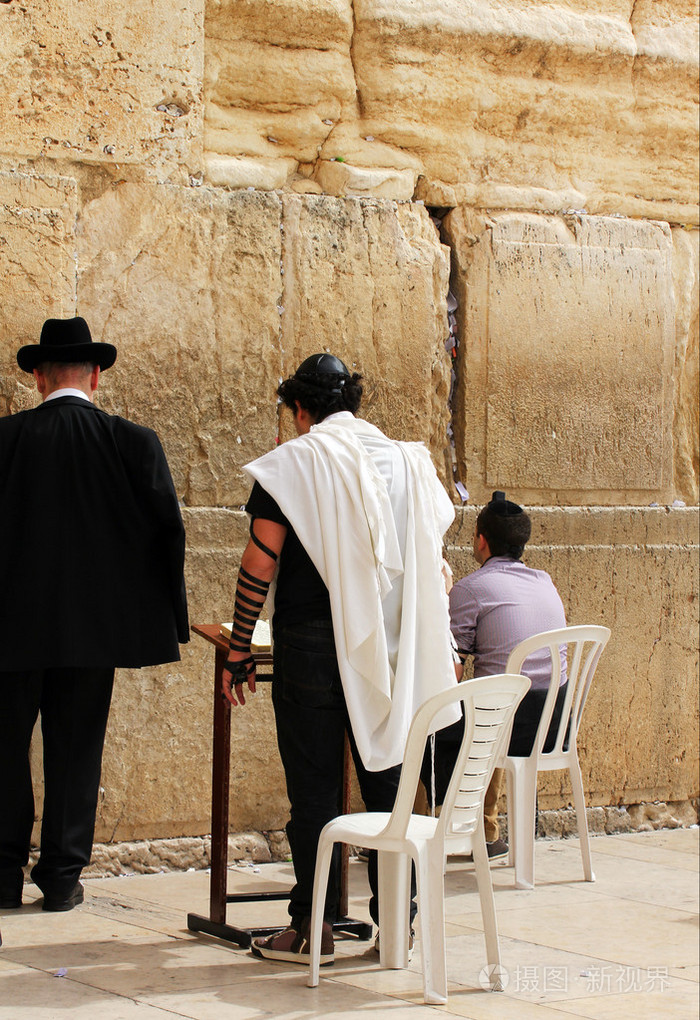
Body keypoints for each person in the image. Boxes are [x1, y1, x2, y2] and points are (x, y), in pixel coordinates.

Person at [222, 353, 459, 965]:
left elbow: (259, 562)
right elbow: (433, 556)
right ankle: (397, 927)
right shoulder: (410, 460)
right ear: (353, 402)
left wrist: (238, 648)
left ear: (301, 409)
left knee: (315, 794)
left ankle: (312, 927)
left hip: (308, 649)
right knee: (389, 792)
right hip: (391, 651)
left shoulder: (296, 463)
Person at [0, 316, 189, 912]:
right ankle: (61, 878)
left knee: (3, 751)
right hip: (93, 633)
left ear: (37, 377)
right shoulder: (132, 443)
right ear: (97, 377)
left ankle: (2, 875)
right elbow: (168, 532)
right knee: (77, 750)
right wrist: (152, 620)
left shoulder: (3, 441)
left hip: (9, 630)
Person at [422, 491, 567, 858]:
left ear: (481, 540)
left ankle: (423, 832)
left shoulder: (471, 589)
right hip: (553, 726)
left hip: (504, 729)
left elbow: (450, 674)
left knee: (425, 727)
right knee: (493, 701)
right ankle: (486, 832)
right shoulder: (544, 581)